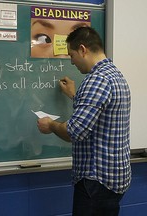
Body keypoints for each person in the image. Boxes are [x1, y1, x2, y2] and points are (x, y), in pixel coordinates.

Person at [37, 27, 131, 216]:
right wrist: (75, 94)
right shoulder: (115, 75)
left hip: (97, 180)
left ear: (82, 49)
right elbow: (100, 111)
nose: (71, 62)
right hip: (115, 177)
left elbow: (74, 131)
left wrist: (51, 125)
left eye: (72, 55)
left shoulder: (96, 81)